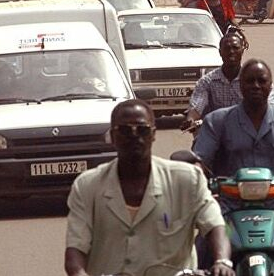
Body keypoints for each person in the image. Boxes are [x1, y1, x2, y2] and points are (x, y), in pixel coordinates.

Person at [64, 99, 233, 276]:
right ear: (112, 137)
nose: (134, 136)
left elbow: (215, 225)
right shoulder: (88, 186)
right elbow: (75, 251)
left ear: (153, 134)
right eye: (125, 130)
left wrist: (222, 261)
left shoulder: (187, 180)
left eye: (142, 130)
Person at [193, 59, 274, 276]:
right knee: (202, 245)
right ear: (240, 86)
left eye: (261, 81)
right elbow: (201, 157)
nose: (256, 86)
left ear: (270, 85)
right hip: (228, 202)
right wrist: (194, 174)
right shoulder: (218, 120)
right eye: (249, 81)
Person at [184, 31, 274, 127]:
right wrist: (190, 120)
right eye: (227, 48)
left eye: (235, 48)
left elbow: (270, 103)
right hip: (218, 132)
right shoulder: (207, 81)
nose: (231, 52)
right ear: (220, 52)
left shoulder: (255, 80)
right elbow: (197, 105)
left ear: (242, 50)